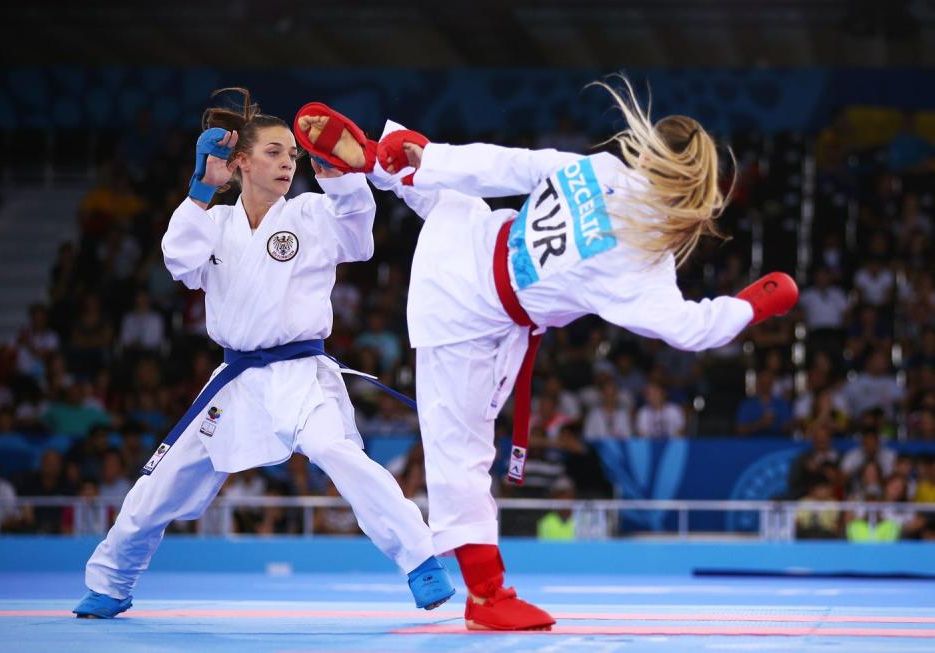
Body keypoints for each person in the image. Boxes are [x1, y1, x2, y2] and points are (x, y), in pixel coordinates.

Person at [294, 78, 798, 631]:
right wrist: (753, 305)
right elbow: (689, 329)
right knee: (458, 452)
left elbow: (512, 165)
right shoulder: (636, 262)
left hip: (472, 237)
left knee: (454, 195)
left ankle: (380, 160)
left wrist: (432, 155)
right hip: (462, 312)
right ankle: (486, 597)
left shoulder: (601, 170)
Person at [73, 88, 453, 619]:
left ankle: (421, 560)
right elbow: (179, 262)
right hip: (235, 380)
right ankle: (112, 582)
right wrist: (203, 188)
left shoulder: (311, 213)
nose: (286, 162)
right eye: (275, 152)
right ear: (241, 162)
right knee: (158, 486)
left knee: (340, 454)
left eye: (292, 154)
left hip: (300, 375)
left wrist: (339, 171)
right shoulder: (214, 224)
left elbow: (358, 239)